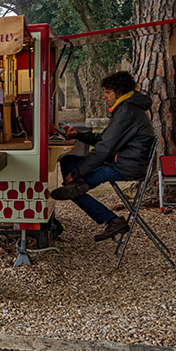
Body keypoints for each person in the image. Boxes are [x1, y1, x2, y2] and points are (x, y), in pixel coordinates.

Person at [50, 71, 155, 242]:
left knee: (73, 189)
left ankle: (112, 220)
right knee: (68, 161)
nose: (104, 96)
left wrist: (76, 174)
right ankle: (108, 216)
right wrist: (79, 134)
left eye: (107, 92)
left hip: (124, 166)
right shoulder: (126, 108)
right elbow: (104, 139)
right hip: (121, 162)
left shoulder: (127, 111)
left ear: (119, 92)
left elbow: (104, 149)